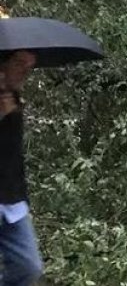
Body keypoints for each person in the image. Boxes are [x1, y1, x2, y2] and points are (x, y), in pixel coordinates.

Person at [1, 50, 43, 286]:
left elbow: (12, 155)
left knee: (29, 267)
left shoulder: (14, 98)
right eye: (19, 63)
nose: (25, 71)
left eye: (30, 66)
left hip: (13, 201)